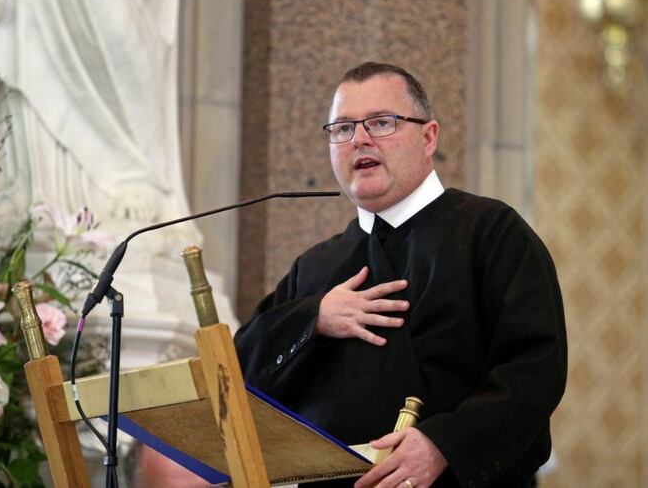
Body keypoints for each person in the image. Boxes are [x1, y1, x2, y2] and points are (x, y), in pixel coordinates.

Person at [234, 62, 567, 488]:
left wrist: (444, 444)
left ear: (428, 137)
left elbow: (535, 368)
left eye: (381, 123)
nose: (359, 139)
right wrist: (314, 317)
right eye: (341, 129)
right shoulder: (316, 267)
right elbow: (240, 369)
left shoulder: (491, 232)